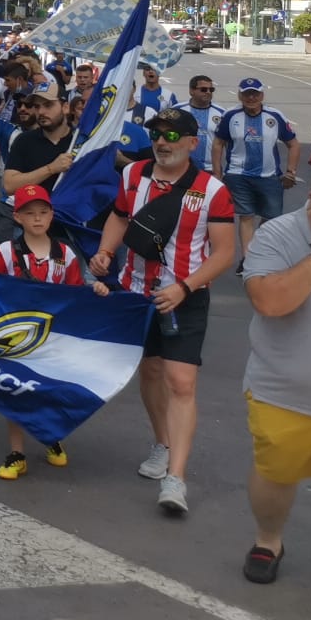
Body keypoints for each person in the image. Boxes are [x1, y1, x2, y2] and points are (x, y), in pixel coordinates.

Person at [89, 106, 235, 515]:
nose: (161, 142)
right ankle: (162, 443)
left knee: (181, 382)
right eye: (156, 134)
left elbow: (224, 254)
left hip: (186, 296)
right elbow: (119, 219)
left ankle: (176, 478)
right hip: (137, 292)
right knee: (150, 371)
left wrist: (184, 287)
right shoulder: (132, 176)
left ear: (193, 142)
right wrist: (105, 252)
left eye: (172, 136)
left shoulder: (212, 190)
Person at [239, 161, 311, 584]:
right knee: (276, 475)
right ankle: (268, 539)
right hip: (288, 392)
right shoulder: (277, 234)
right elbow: (270, 303)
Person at [0, 184, 106, 479]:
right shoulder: (6, 251)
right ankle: (17, 453)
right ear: (18, 218)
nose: (37, 219)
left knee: (49, 389)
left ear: (52, 216)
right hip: (16, 337)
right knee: (14, 391)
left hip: (53, 337)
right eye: (30, 214)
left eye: (43, 212)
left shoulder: (64, 253)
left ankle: (50, 435)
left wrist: (97, 289)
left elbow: (75, 292)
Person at [214, 77, 298, 264]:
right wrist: (217, 173)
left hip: (269, 177)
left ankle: (256, 248)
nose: (251, 97)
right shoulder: (231, 115)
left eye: (255, 93)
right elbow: (218, 143)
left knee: (271, 218)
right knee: (246, 216)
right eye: (246, 94)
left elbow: (293, 144)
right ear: (239, 95)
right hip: (237, 175)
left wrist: (290, 171)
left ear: (262, 95)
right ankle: (248, 260)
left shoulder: (274, 116)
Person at [0, 78, 75, 250]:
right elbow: (10, 184)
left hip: (71, 229)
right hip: (30, 228)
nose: (41, 111)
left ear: (65, 107)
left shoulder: (80, 142)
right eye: (37, 106)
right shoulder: (25, 141)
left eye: (48, 105)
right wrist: (51, 169)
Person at [181, 74, 225, 172]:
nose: (208, 92)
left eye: (211, 90)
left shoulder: (222, 113)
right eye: (203, 89)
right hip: (182, 168)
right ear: (191, 91)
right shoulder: (178, 110)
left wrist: (219, 171)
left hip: (210, 169)